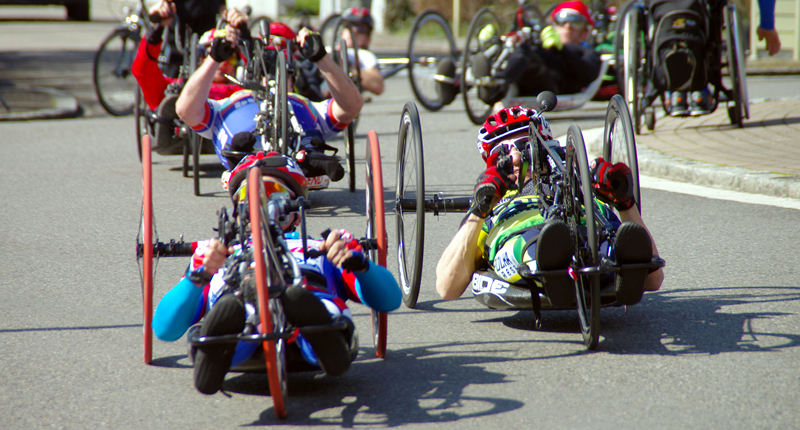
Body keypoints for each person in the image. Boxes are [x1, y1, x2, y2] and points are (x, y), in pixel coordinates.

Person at [152, 152, 402, 394]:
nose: (263, 202)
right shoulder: (217, 253)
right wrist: (197, 276)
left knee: (318, 304)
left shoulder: (325, 246)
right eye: (248, 196)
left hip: (308, 304)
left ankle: (324, 339)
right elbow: (165, 329)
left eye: (276, 193)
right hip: (243, 313)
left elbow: (390, 300)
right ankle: (216, 349)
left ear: (296, 206)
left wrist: (359, 264)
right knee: (232, 309)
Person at [435, 107, 664, 310]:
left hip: (589, 228)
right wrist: (480, 208)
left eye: (524, 146)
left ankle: (618, 258)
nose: (515, 158)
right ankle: (551, 266)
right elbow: (447, 288)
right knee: (533, 243)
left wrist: (624, 201)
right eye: (502, 153)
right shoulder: (488, 206)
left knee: (610, 240)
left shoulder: (577, 180)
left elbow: (656, 280)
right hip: (523, 239)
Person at [175, 8, 364, 187]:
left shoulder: (310, 108)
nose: (273, 76)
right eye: (268, 68)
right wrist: (214, 59)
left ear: (293, 74)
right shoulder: (225, 106)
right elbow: (185, 110)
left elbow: (352, 106)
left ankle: (308, 159)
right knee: (241, 141)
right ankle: (244, 157)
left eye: (281, 70)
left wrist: (321, 57)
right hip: (247, 162)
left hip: (298, 161)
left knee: (310, 140)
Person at [437, 0, 601, 107]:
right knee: (513, 47)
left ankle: (496, 86)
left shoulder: (586, 50)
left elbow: (589, 73)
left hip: (551, 88)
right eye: (562, 21)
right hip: (522, 75)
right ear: (553, 23)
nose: (568, 27)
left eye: (576, 22)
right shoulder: (540, 41)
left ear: (586, 30)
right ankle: (456, 83)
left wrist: (561, 50)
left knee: (525, 51)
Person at [131, 0, 244, 154]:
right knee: (171, 98)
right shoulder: (176, 87)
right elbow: (143, 71)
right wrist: (155, 31)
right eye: (213, 54)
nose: (222, 63)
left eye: (228, 55)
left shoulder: (242, 92)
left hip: (237, 134)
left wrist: (244, 33)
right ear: (200, 59)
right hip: (181, 120)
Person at [335, 7, 385, 96]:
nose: (354, 31)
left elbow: (378, 85)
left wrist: (349, 69)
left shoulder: (364, 56)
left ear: (367, 39)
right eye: (350, 26)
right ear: (341, 31)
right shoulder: (327, 48)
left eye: (360, 30)